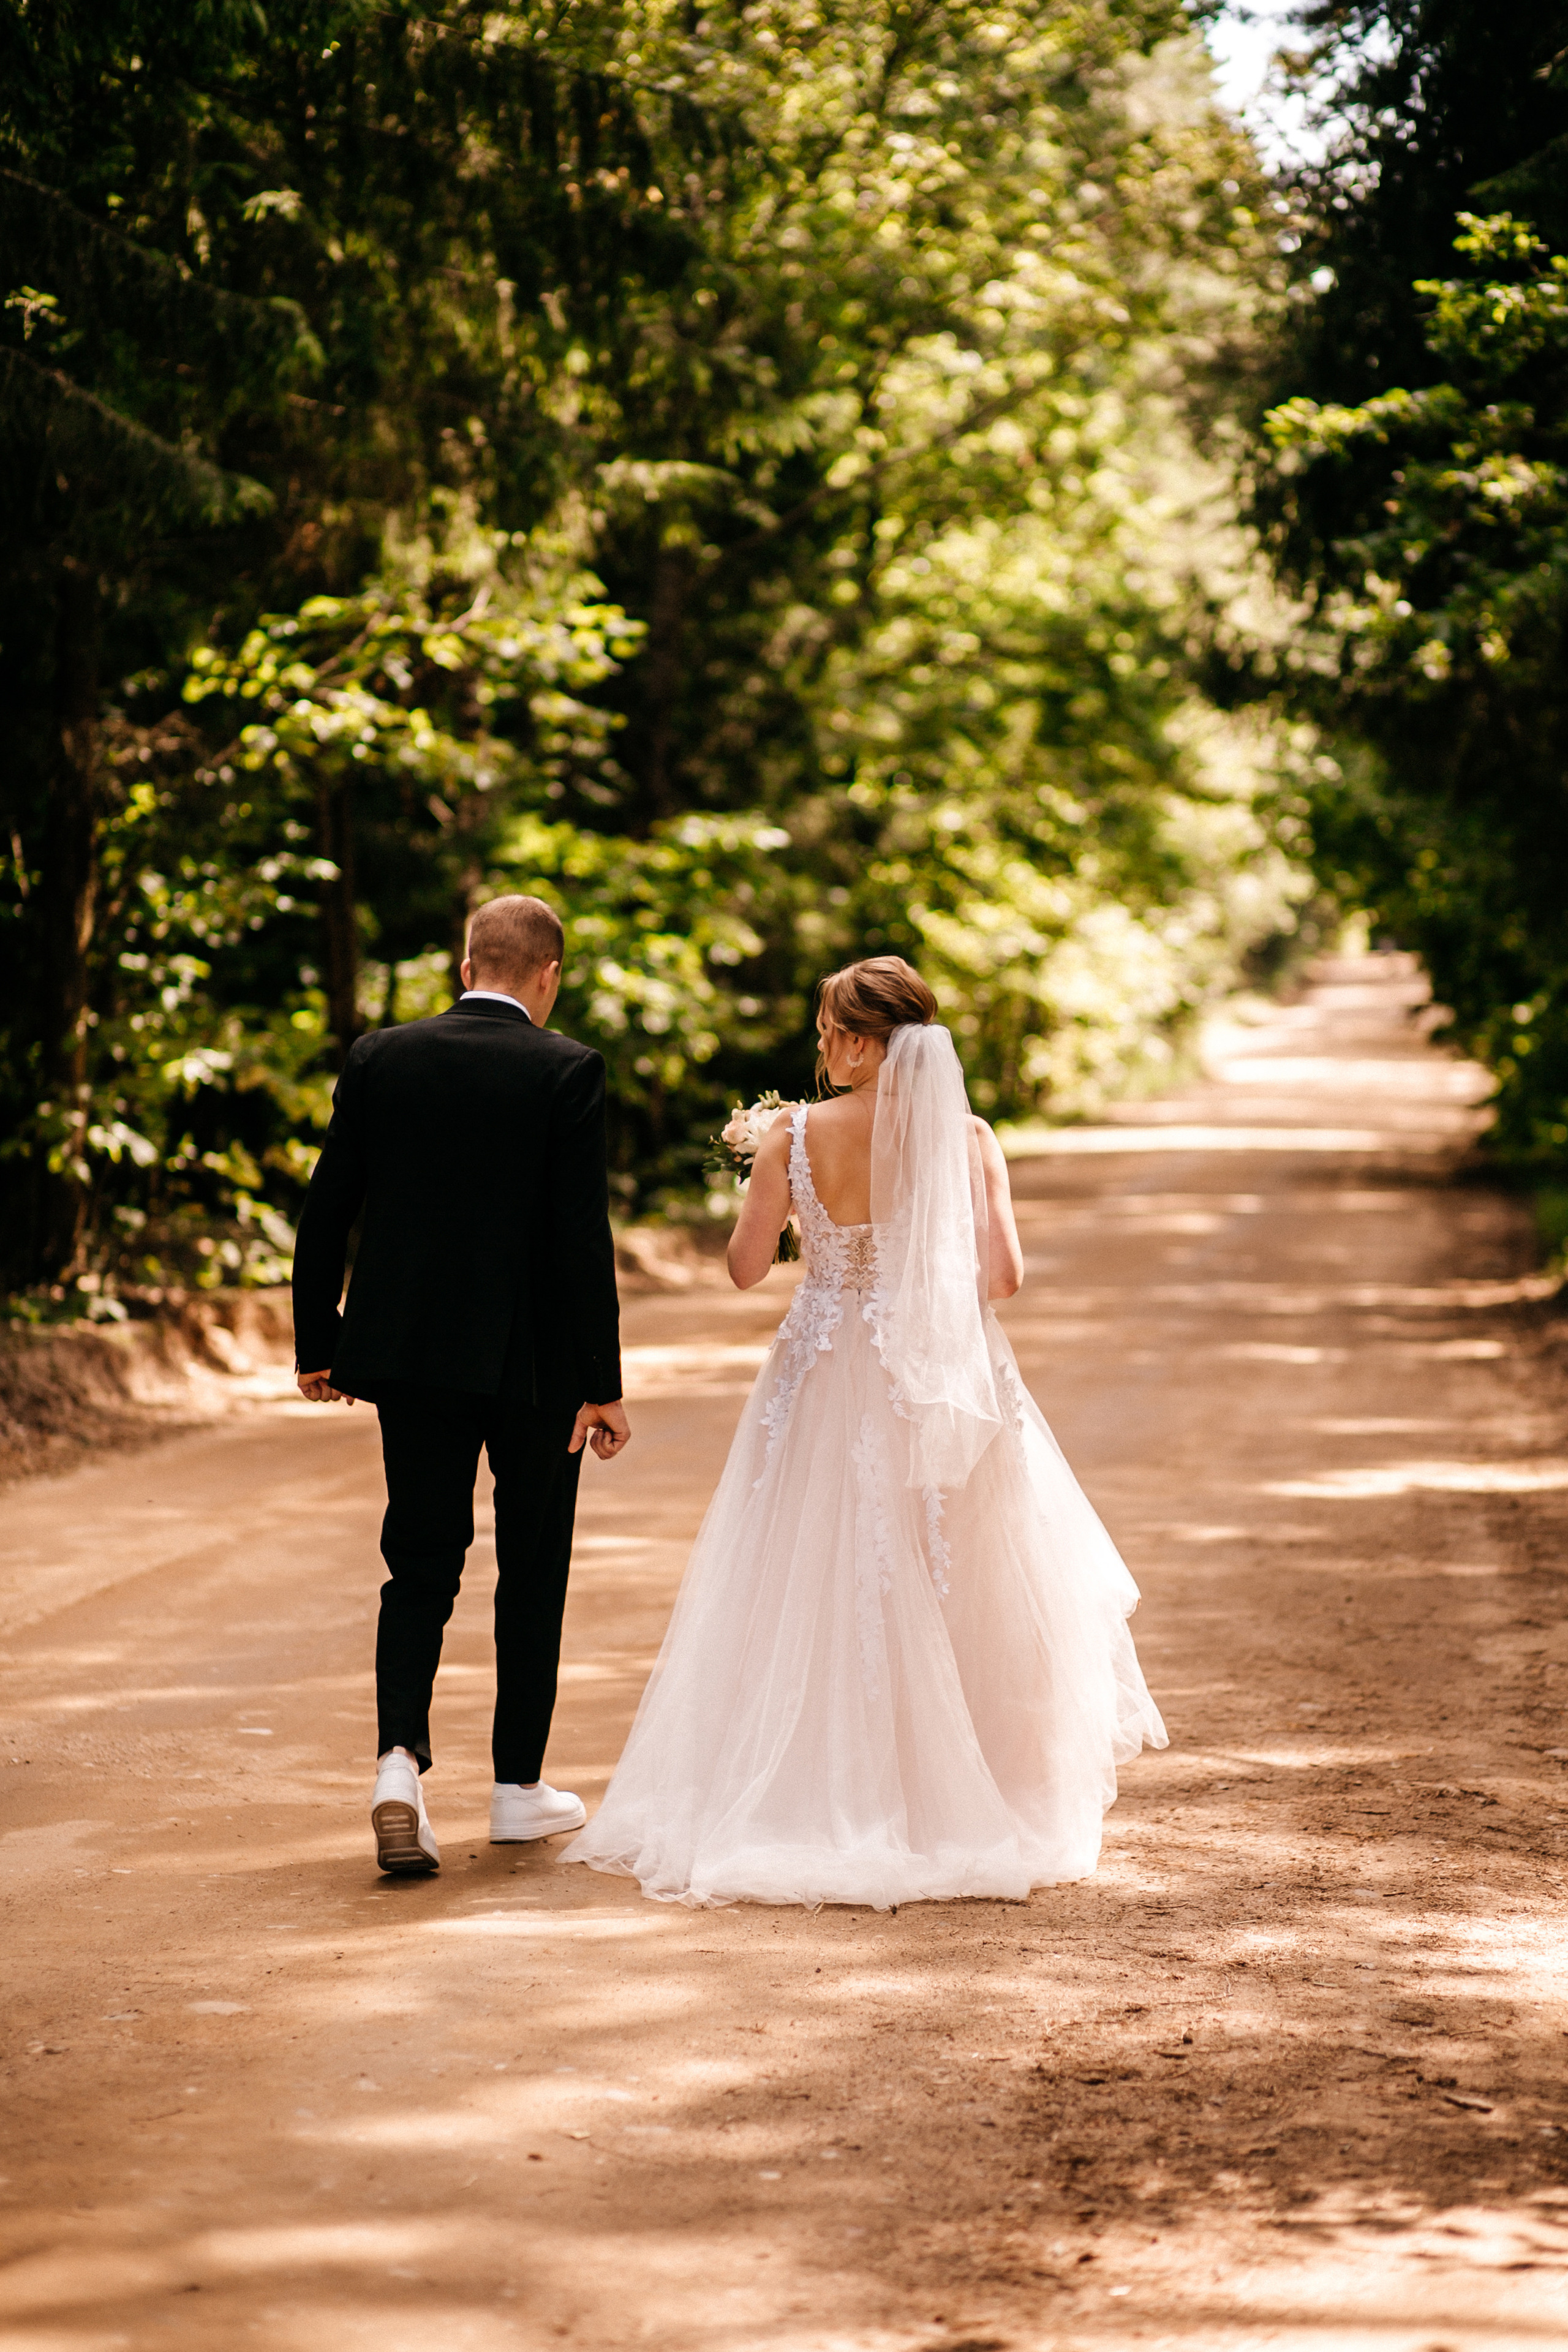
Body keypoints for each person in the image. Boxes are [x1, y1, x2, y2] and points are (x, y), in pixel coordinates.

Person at [566, 955, 1166, 1909]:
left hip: (826, 1370)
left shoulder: (794, 1137)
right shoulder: (971, 1140)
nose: (817, 1045)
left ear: (857, 1039)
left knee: (819, 1569)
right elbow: (1002, 1278)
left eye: (824, 1030)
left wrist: (785, 1186)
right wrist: (917, 1281)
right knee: (956, 1574)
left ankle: (826, 1786)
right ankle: (965, 1793)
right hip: (947, 1382)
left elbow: (744, 1269)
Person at [292, 894, 631, 1876]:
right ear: (548, 974)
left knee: (422, 1558)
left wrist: (322, 1342)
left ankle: (399, 1764)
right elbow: (580, 1238)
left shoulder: (379, 1058)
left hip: (411, 1358)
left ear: (466, 962)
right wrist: (602, 1383)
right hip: (535, 1370)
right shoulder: (567, 1068)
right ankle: (518, 1789)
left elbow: (328, 1212)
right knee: (531, 1567)